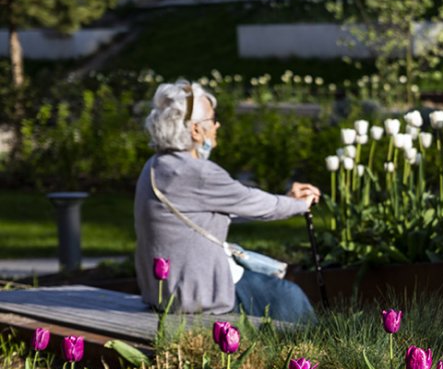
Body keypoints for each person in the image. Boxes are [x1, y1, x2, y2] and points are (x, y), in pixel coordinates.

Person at [135, 80, 322, 322]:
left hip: (164, 291)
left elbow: (222, 207)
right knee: (289, 297)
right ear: (195, 130)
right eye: (212, 120)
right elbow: (252, 202)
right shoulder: (198, 172)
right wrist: (300, 204)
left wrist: (286, 200)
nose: (217, 125)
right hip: (199, 294)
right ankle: (314, 356)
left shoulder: (154, 166)